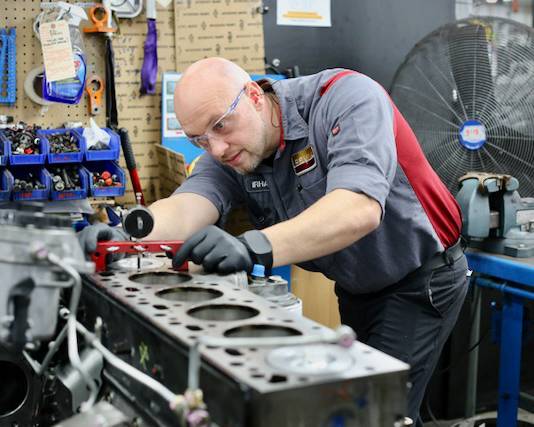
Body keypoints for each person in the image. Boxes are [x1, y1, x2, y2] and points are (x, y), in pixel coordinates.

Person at [78, 57, 468, 424]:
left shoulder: (346, 99)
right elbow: (189, 205)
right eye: (200, 140)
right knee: (352, 403)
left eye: (220, 126)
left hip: (420, 279)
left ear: (252, 96)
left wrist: (252, 247)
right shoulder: (231, 153)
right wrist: (127, 233)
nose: (216, 148)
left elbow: (358, 209)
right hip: (357, 286)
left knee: (375, 414)